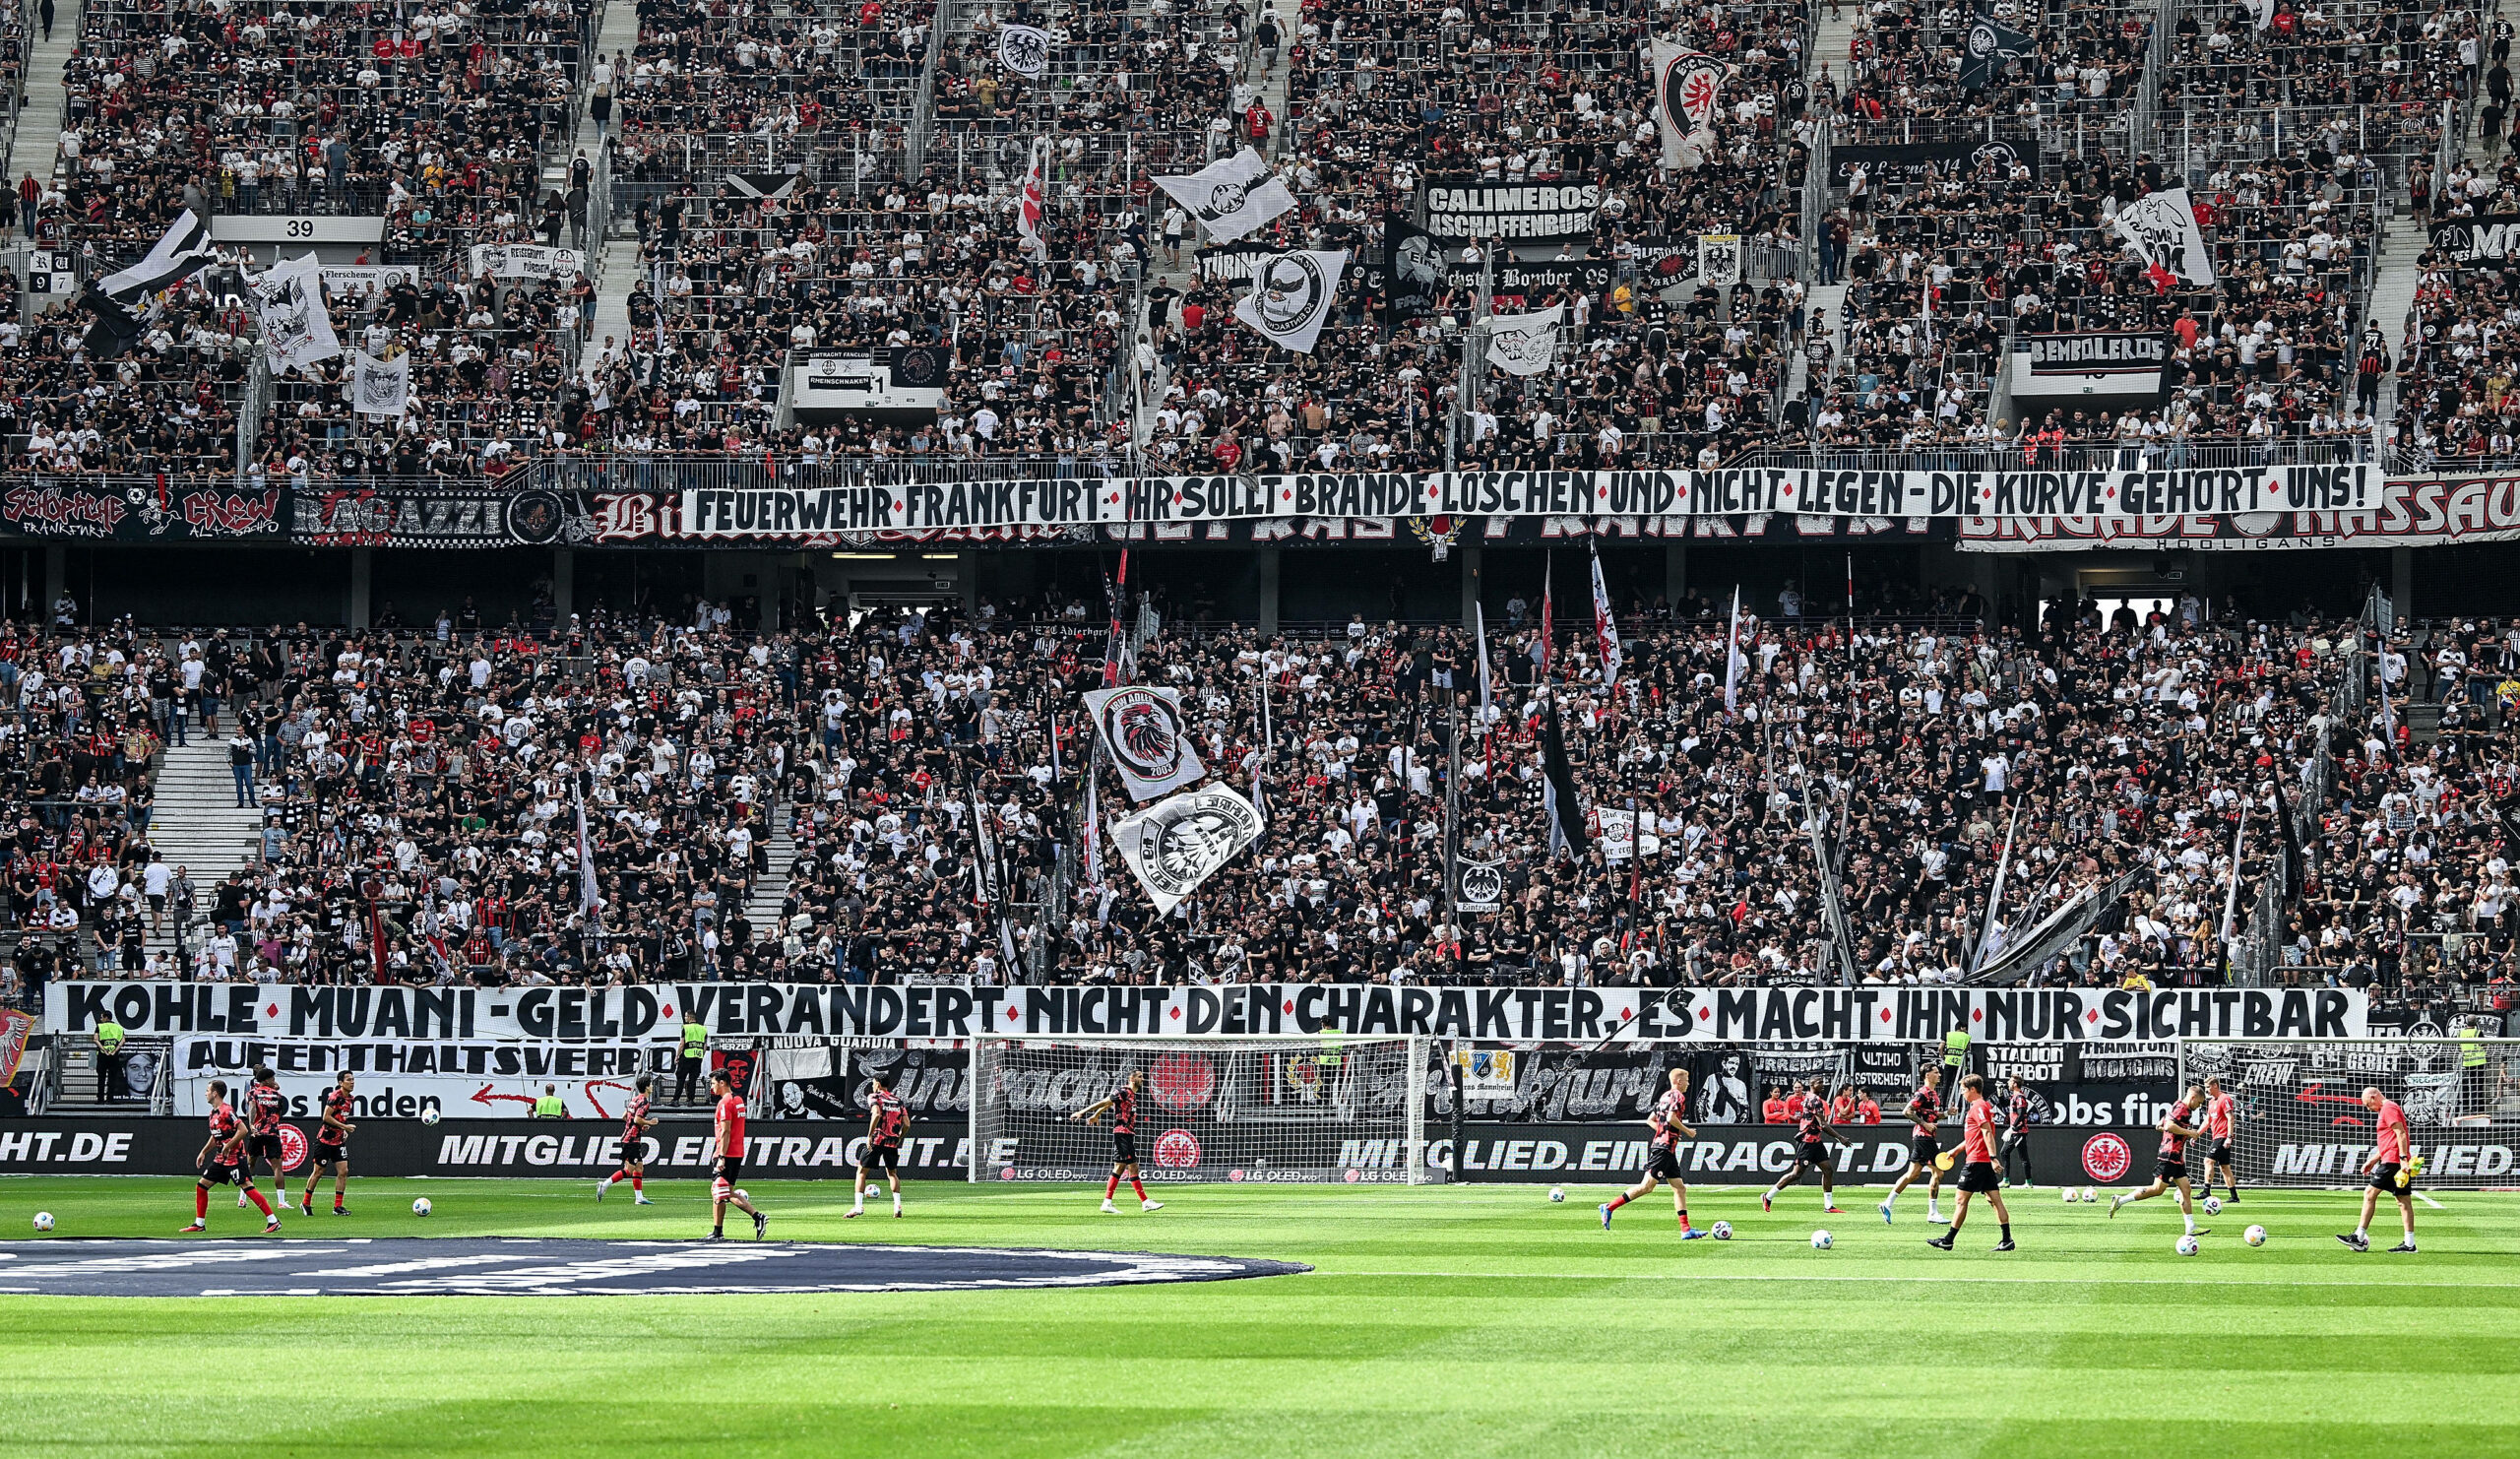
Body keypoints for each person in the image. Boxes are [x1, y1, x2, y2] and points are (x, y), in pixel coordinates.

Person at [1599, 1067, 1707, 1237]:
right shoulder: (1678, 1096)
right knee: (1646, 1187)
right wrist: (1687, 1131)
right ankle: (1609, 1207)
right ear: (1678, 1081)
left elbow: (1650, 1120)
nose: (1688, 1083)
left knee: (1680, 1188)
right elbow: (1671, 1118)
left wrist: (1665, 1133)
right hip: (1663, 1149)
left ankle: (1686, 1230)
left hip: (1665, 1148)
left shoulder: (1664, 1096)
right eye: (1686, 1079)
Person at [1926, 1075, 2014, 1251]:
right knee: (1994, 1200)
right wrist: (1955, 1151)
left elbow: (1987, 1133)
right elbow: (1974, 1136)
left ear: (1973, 1089)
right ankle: (2007, 1239)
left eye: (1964, 1089)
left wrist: (1993, 1157)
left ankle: (1949, 1240)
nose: (1962, 1093)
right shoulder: (1980, 1107)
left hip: (1977, 1162)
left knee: (1960, 1200)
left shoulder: (1979, 1107)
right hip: (1981, 1162)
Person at [2110, 1085, 2209, 1237]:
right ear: (2193, 1097)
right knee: (2157, 1189)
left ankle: (2190, 1227)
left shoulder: (2180, 1107)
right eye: (2199, 1102)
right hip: (2169, 1155)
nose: (2199, 1106)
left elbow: (2161, 1124)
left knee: (2186, 1190)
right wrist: (2189, 1133)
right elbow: (2168, 1125)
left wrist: (2169, 1127)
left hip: (2176, 1156)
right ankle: (2120, 1200)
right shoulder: (2181, 1108)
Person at [182, 1079, 277, 1233]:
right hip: (221, 1159)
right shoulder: (213, 1113)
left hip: (235, 1158)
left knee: (247, 1187)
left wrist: (229, 1145)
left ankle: (273, 1221)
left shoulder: (227, 1111)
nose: (205, 1093)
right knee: (201, 1186)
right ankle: (199, 1224)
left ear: (215, 1093)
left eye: (207, 1090)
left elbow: (243, 1130)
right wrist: (203, 1152)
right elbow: (215, 1136)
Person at [1070, 1069, 1164, 1214]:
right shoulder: (1123, 1091)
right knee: (1125, 1167)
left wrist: (1096, 1115)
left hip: (1128, 1134)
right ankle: (1122, 1202)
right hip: (1121, 1133)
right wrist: (1083, 1112)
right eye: (1140, 1076)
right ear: (1131, 1078)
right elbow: (1105, 1101)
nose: (1143, 1079)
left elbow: (1108, 1105)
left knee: (1127, 1167)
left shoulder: (1131, 1095)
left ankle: (1136, 1202)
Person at [2339, 1086, 2419, 1253]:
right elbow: (2389, 1140)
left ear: (2374, 1097)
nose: (2369, 1109)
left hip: (2393, 1161)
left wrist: (2404, 1159)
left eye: (2368, 1105)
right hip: (2392, 1159)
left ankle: (2359, 1237)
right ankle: (2409, 1244)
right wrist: (2372, 1160)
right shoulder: (2387, 1109)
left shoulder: (2388, 1108)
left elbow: (2401, 1133)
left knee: (2369, 1193)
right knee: (2403, 1201)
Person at [1760, 1077, 1843, 1214]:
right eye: (1819, 1083)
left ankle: (1828, 1206)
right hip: (1808, 1141)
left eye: (1822, 1082)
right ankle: (1768, 1196)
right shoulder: (1815, 1100)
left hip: (1816, 1141)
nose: (1822, 1085)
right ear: (1812, 1085)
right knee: (1796, 1174)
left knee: (1828, 1170)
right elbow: (1823, 1124)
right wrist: (1840, 1138)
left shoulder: (1809, 1097)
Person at [1878, 1066, 1946, 1224]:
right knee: (1939, 1172)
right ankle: (1933, 1213)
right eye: (1936, 1072)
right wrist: (1925, 1125)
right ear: (1927, 1075)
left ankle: (1887, 1204)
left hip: (1924, 1136)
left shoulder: (1933, 1094)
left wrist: (1948, 1113)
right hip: (1924, 1137)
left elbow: (1933, 1116)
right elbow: (1907, 1111)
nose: (1939, 1075)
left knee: (1913, 1174)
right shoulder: (1922, 1092)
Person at [707, 1070, 766, 1239]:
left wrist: (721, 1156)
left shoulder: (725, 1103)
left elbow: (725, 1131)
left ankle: (756, 1216)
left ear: (722, 1082)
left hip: (727, 1153)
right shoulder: (739, 1100)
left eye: (713, 1083)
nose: (712, 1087)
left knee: (720, 1191)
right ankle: (718, 1231)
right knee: (722, 1191)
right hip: (737, 1151)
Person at [847, 1070, 909, 1219]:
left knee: (861, 1172)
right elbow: (906, 1123)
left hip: (877, 1139)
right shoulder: (897, 1100)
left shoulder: (874, 1096)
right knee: (892, 1174)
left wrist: (869, 1135)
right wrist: (899, 1137)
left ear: (878, 1084)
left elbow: (877, 1114)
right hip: (892, 1141)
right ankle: (897, 1207)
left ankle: (858, 1207)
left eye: (873, 1083)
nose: (873, 1085)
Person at [298, 1070, 355, 1215]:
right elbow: (326, 1117)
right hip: (325, 1140)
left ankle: (337, 1207)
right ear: (341, 1083)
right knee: (318, 1172)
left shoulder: (350, 1099)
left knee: (344, 1171)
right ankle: (305, 1203)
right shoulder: (335, 1096)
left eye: (353, 1079)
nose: (352, 1082)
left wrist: (343, 1131)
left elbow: (341, 1117)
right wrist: (345, 1127)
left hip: (338, 1141)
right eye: (348, 1080)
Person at [598, 1074, 658, 1203]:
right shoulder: (645, 1102)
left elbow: (625, 1116)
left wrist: (640, 1126)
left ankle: (639, 1198)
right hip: (632, 1140)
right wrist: (650, 1122)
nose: (652, 1086)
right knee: (629, 1170)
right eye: (650, 1084)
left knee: (639, 1167)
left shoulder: (634, 1100)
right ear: (647, 1087)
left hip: (628, 1137)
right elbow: (637, 1119)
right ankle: (604, 1185)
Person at [241, 1066, 289, 1210]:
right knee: (277, 1167)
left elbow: (252, 1109)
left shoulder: (252, 1093)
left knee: (250, 1165)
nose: (274, 1081)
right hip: (273, 1133)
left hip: (257, 1133)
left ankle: (242, 1199)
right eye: (273, 1079)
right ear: (266, 1080)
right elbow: (280, 1112)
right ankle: (281, 1201)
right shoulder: (277, 1095)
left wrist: (251, 1125)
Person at [2200, 1074, 2239, 1204]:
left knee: (2208, 1161)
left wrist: (2229, 1137)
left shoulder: (2225, 1098)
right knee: (2224, 1167)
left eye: (2208, 1087)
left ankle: (2206, 1190)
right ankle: (2234, 1196)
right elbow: (2207, 1121)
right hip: (2217, 1136)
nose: (2206, 1090)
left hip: (2223, 1137)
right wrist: (2197, 1134)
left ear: (2215, 1086)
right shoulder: (2211, 1102)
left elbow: (2230, 1118)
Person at [2000, 1075, 2037, 1187]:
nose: (2008, 1083)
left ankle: (2028, 1182)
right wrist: (2000, 1093)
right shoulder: (2013, 1097)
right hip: (2014, 1132)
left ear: (2015, 1084)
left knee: (2023, 1157)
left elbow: (2021, 1114)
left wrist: (2012, 1128)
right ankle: (2006, 1180)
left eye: (2010, 1081)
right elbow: (2003, 1104)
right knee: (2004, 1152)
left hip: (2019, 1131)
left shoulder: (2020, 1097)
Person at [675, 1017, 708, 1102]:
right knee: (693, 1080)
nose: (685, 1018)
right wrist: (701, 1056)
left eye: (686, 1016)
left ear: (689, 1017)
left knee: (681, 1078)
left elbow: (682, 1044)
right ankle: (691, 1100)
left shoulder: (685, 1028)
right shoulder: (703, 1029)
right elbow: (704, 1046)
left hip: (686, 1056)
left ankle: (675, 1100)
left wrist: (677, 1056)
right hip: (698, 1058)